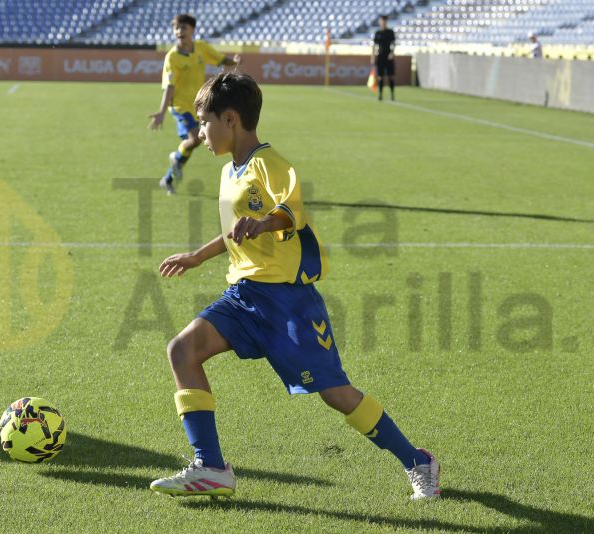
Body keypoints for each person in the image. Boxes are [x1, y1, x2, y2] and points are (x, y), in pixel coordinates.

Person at [149, 72, 441, 500]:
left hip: (288, 303)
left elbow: (291, 210)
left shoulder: (270, 163)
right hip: (244, 297)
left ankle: (418, 461)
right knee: (182, 350)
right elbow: (235, 229)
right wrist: (197, 256)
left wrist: (266, 221)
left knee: (337, 395)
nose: (200, 133)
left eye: (204, 122)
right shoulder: (231, 170)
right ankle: (211, 466)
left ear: (230, 119)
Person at [148, 13, 240, 195]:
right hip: (179, 106)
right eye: (177, 28)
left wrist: (234, 62)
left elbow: (221, 60)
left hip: (197, 105)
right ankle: (175, 157)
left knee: (191, 144)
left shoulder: (201, 48)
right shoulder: (172, 58)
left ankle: (167, 179)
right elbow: (169, 86)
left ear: (192, 30)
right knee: (197, 138)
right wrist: (161, 112)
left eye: (183, 27)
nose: (179, 31)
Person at [371, 15, 396, 101]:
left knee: (391, 76)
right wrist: (373, 56)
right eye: (382, 20)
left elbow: (393, 44)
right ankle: (380, 94)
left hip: (388, 56)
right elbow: (374, 46)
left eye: (385, 21)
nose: (383, 22)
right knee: (380, 77)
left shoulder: (390, 32)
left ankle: (392, 94)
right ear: (380, 22)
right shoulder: (377, 33)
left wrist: (392, 53)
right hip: (380, 56)